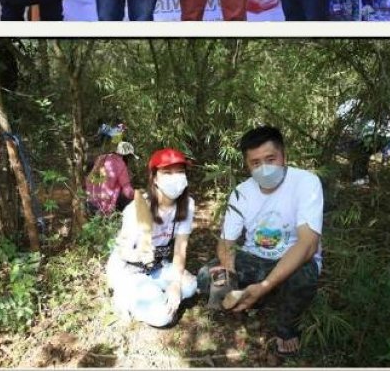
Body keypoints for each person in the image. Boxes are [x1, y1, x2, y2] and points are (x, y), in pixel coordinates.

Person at [197, 126, 323, 359]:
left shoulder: (306, 182)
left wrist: (265, 285)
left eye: (270, 159)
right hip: (254, 257)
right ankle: (254, 294)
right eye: (255, 163)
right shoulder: (241, 192)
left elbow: (308, 244)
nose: (264, 168)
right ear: (247, 165)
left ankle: (286, 326)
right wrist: (231, 276)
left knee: (304, 276)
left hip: (292, 258)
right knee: (206, 276)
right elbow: (227, 242)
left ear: (284, 156)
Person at [106, 148, 197, 327]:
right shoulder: (136, 209)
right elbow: (123, 251)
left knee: (189, 286)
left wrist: (175, 284)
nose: (175, 177)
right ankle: (124, 295)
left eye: (180, 172)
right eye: (167, 173)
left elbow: (180, 247)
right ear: (155, 178)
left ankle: (155, 291)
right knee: (163, 316)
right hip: (128, 269)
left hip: (156, 266)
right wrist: (140, 254)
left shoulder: (188, 205)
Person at [86, 140, 136, 216]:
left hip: (91, 201)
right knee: (131, 204)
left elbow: (91, 178)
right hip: (105, 205)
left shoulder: (102, 157)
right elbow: (127, 191)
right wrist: (137, 195)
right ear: (126, 155)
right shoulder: (120, 164)